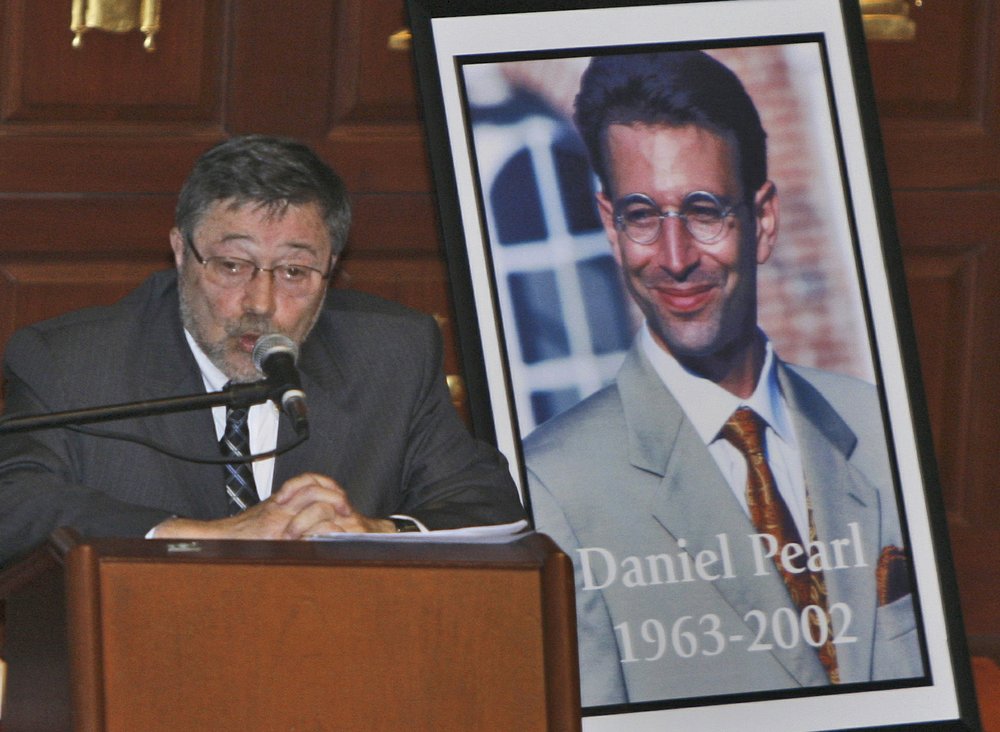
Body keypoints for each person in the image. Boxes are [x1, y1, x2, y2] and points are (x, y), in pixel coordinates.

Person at [524, 51, 923, 707]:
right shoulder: (553, 489)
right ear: (610, 226)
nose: (675, 259)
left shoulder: (882, 425)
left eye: (705, 210)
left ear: (762, 220)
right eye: (643, 215)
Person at [0, 135, 524, 567]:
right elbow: (14, 502)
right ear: (182, 252)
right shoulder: (70, 362)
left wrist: (372, 531)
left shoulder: (392, 352)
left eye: (295, 272)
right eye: (232, 265)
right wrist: (200, 537)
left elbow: (487, 501)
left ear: (331, 269)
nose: (262, 303)